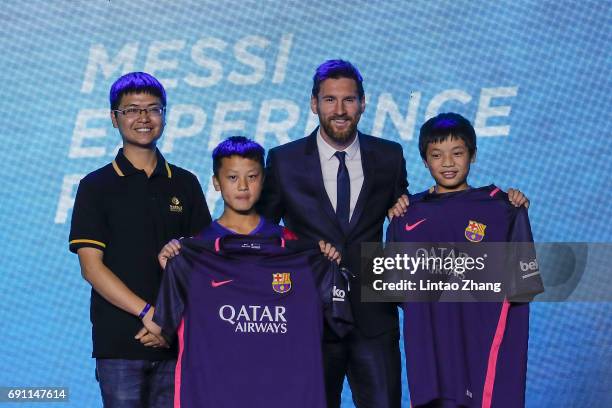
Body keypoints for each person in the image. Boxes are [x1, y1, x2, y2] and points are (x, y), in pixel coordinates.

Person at [257, 59, 530, 408]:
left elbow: (412, 216)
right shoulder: (284, 160)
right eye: (329, 100)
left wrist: (509, 202)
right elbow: (264, 231)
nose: (340, 109)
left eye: (349, 99)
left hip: (374, 319)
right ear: (314, 104)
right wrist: (310, 248)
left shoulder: (388, 156)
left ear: (363, 103)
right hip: (310, 317)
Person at [152, 136, 350, 407]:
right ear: (217, 183)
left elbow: (335, 323)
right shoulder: (194, 253)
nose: (243, 186)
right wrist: (173, 265)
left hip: (283, 395)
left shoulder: (295, 248)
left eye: (252, 177)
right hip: (217, 395)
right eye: (233, 177)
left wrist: (326, 261)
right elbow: (162, 330)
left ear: (264, 180)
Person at [68, 72, 211, 407]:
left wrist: (167, 321)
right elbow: (91, 268)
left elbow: (202, 262)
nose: (144, 118)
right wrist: (149, 314)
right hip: (120, 343)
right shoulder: (96, 186)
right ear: (114, 118)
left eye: (153, 109)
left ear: (164, 114)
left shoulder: (185, 183)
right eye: (132, 110)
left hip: (177, 341)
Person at [386, 112, 544, 407]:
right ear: (424, 160)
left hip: (481, 343)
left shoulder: (502, 208)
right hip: (433, 347)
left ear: (473, 155)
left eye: (457, 153)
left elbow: (524, 284)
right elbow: (395, 288)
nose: (447, 163)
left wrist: (516, 211)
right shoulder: (405, 215)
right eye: (437, 155)